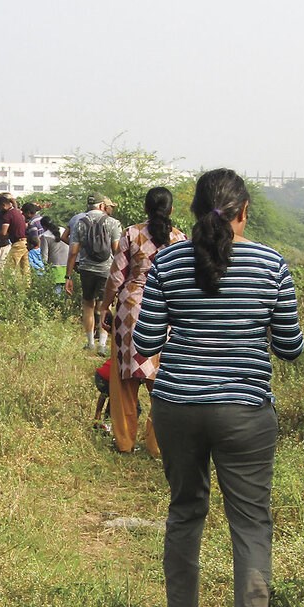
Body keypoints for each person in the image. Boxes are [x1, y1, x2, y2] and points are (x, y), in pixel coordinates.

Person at [134, 168, 304, 607]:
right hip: (245, 413)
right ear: (244, 211)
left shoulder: (167, 262)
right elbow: (291, 347)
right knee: (251, 526)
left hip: (178, 407)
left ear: (193, 212)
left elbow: (144, 341)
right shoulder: (271, 264)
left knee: (185, 510)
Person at [101, 186, 187, 454]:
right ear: (171, 209)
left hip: (130, 310)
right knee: (160, 383)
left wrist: (105, 306)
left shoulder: (132, 233)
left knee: (125, 382)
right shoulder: (180, 239)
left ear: (146, 209)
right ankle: (157, 445)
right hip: (167, 314)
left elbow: (117, 276)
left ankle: (124, 442)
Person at [64, 195, 121, 355]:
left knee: (88, 304)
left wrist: (68, 277)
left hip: (86, 269)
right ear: (102, 205)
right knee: (105, 305)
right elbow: (117, 250)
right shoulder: (112, 222)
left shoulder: (80, 223)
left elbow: (73, 251)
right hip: (107, 270)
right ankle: (102, 344)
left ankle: (90, 343)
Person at [40, 216, 69, 286]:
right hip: (68, 265)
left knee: (57, 291)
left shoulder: (45, 236)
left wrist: (45, 268)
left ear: (44, 226)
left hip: (54, 267)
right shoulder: (63, 230)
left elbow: (44, 255)